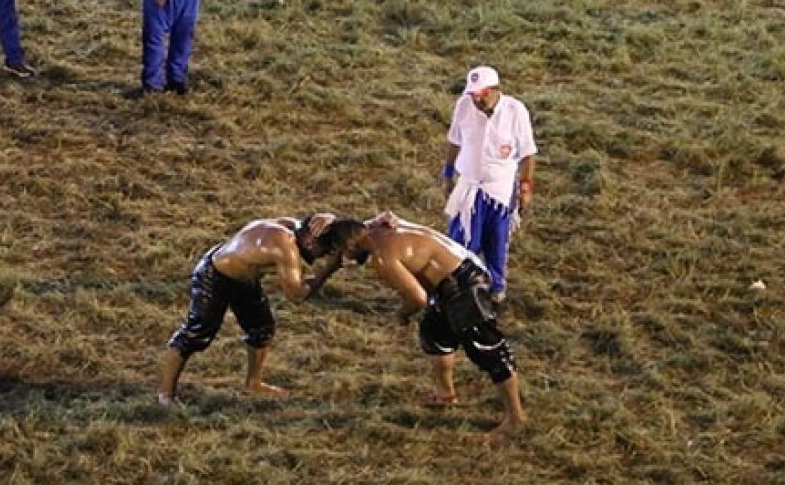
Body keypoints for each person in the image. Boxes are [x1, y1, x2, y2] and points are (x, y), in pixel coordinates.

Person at [316, 214, 527, 444]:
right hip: (457, 273)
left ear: (349, 245)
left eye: (342, 253)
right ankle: (445, 394)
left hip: (466, 285)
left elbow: (417, 298)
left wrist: (400, 316)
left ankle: (516, 419)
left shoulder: (382, 258)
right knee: (434, 333)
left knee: (487, 349)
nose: (344, 259)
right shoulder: (380, 225)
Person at [158, 213, 343, 406]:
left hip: (242, 276)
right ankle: (165, 394)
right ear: (311, 243)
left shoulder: (292, 226)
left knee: (261, 329)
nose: (323, 256)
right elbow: (297, 295)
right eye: (324, 251)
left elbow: (316, 224)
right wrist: (328, 271)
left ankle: (253, 383)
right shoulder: (284, 248)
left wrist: (330, 217)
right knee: (195, 334)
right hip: (214, 276)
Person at [439, 66, 538, 302]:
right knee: (461, 241)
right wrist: (448, 173)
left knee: (496, 239)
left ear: (495, 90)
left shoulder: (515, 111)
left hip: (499, 189)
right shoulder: (464, 106)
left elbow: (527, 154)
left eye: (483, 94)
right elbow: (454, 141)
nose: (477, 100)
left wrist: (525, 187)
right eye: (474, 95)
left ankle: (495, 287)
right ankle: (457, 286)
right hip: (469, 185)